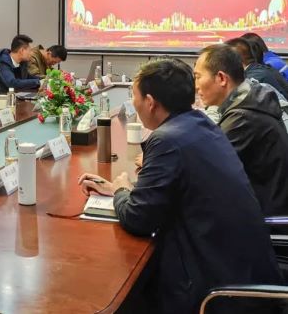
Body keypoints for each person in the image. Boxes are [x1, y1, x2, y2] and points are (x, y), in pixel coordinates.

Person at [78, 58, 282, 313]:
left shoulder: (167, 140)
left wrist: (121, 190)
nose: (134, 103)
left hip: (218, 289)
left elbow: (138, 218)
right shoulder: (201, 124)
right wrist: (122, 190)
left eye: (134, 97)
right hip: (242, 269)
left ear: (150, 102)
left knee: (124, 292)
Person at [194, 44, 288, 216]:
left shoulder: (243, 119)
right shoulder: (249, 98)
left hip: (265, 219)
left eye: (198, 77)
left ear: (221, 78)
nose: (196, 86)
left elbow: (204, 172)